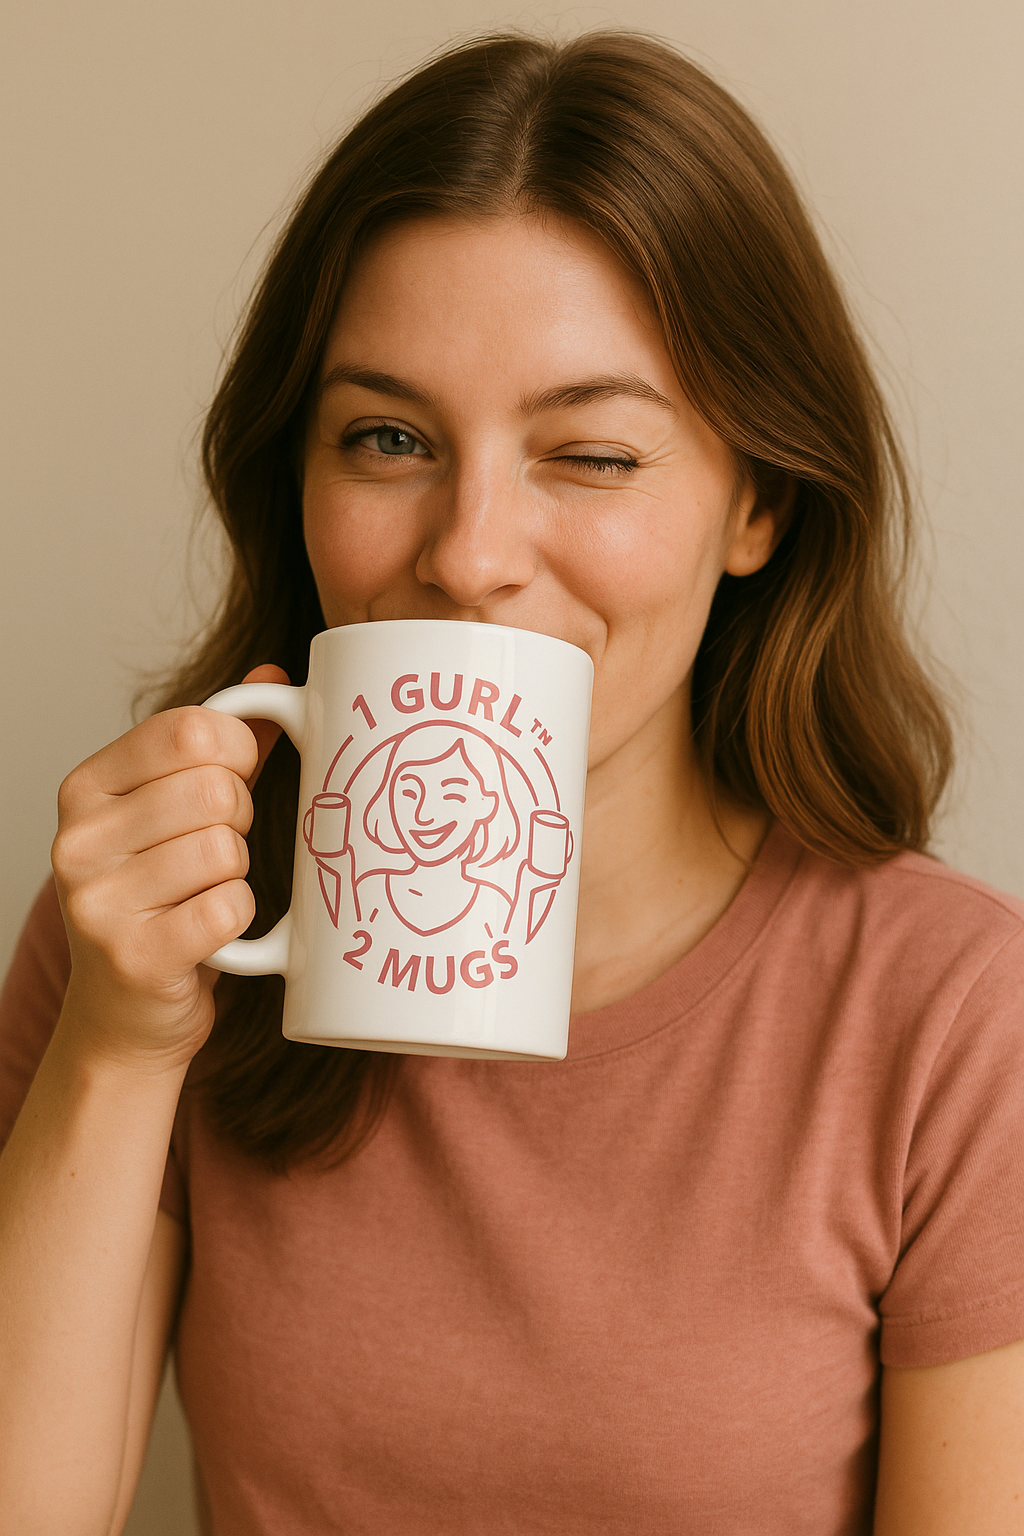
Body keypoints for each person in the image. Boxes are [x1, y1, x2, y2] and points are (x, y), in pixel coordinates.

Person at [1, 30, 1022, 1536]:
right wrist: (117, 1047)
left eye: (591, 455)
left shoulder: (951, 1016)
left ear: (755, 505)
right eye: (390, 438)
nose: (471, 552)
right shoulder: (161, 930)